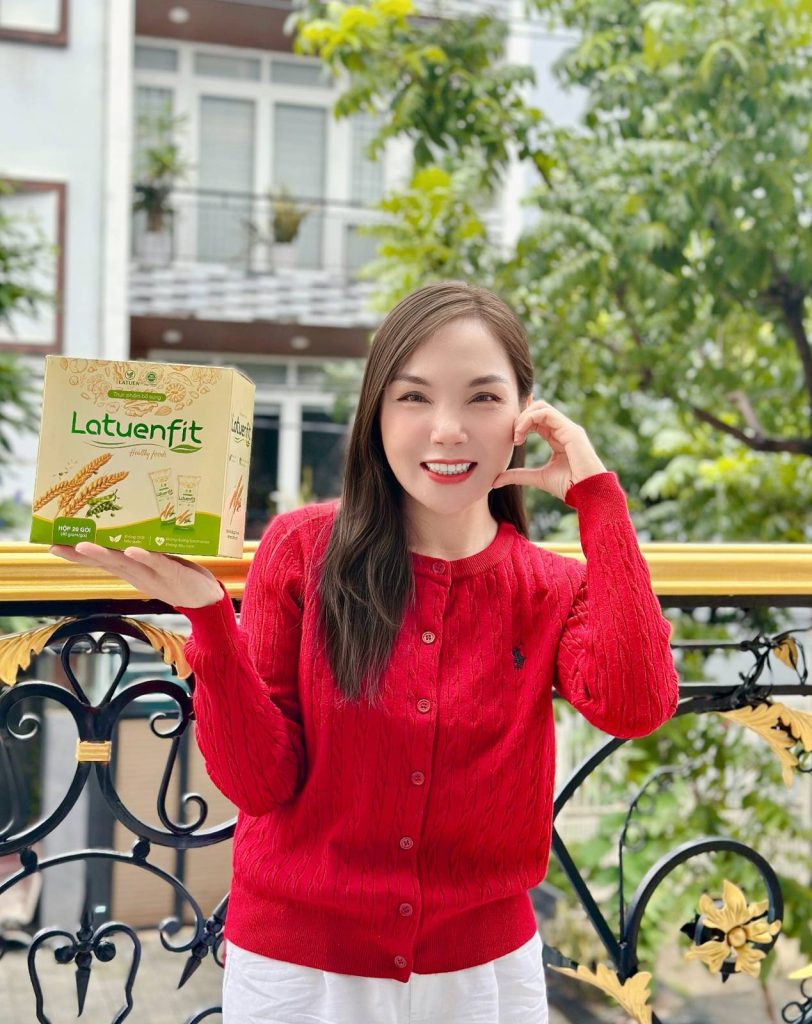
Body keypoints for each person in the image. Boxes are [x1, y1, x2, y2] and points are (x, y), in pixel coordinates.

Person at [49, 280, 680, 1024]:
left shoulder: (549, 587)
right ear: (376, 414)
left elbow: (637, 705)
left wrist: (598, 496)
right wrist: (209, 618)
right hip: (299, 974)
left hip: (483, 977)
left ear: (525, 416)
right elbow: (258, 782)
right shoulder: (301, 550)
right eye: (413, 397)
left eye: (483, 398)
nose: (448, 430)